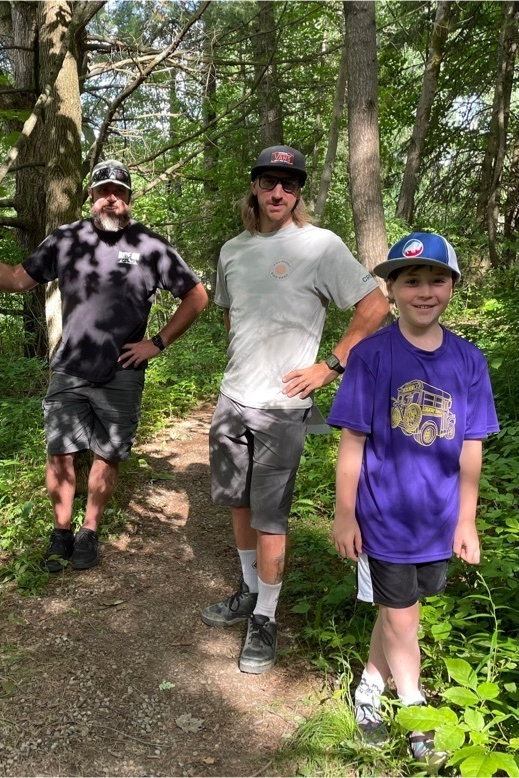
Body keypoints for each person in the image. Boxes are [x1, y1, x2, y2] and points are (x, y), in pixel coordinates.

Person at [0, 160, 208, 572]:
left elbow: (197, 296)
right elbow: (14, 279)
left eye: (119, 192)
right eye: (103, 191)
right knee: (60, 454)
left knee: (107, 455)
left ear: (129, 198)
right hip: (70, 368)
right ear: (90, 197)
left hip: (122, 372)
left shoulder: (151, 246)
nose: (111, 199)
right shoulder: (66, 240)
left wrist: (156, 343)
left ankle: (90, 530)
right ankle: (61, 532)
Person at [202, 145, 389, 674]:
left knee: (270, 517)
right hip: (232, 399)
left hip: (282, 408)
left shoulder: (319, 246)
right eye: (269, 182)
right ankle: (248, 590)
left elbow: (375, 304)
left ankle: (265, 617)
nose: (278, 192)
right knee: (238, 503)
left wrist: (330, 365)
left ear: (299, 191)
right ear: (255, 187)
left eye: (289, 184)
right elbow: (230, 314)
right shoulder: (233, 250)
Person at [327, 232, 499, 762]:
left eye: (436, 280)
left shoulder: (469, 361)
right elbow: (353, 441)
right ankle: (416, 713)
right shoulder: (371, 356)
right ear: (392, 290)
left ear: (452, 287)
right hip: (384, 515)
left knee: (401, 611)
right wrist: (345, 513)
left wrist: (465, 520)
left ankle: (368, 687)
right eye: (411, 281)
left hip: (438, 518)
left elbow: (471, 447)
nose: (425, 292)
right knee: (403, 617)